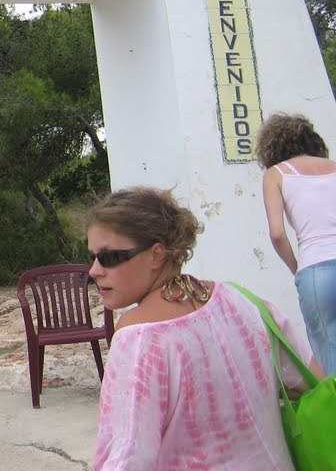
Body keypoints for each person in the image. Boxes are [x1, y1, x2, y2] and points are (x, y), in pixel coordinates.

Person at [88, 185, 321, 470]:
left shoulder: (139, 338)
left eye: (108, 258)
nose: (94, 270)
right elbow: (310, 380)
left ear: (156, 254)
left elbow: (127, 457)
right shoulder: (243, 301)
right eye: (92, 257)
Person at [257, 111, 336, 375]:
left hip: (315, 269)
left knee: (329, 355)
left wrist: (297, 269)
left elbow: (277, 233)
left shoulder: (275, 175)